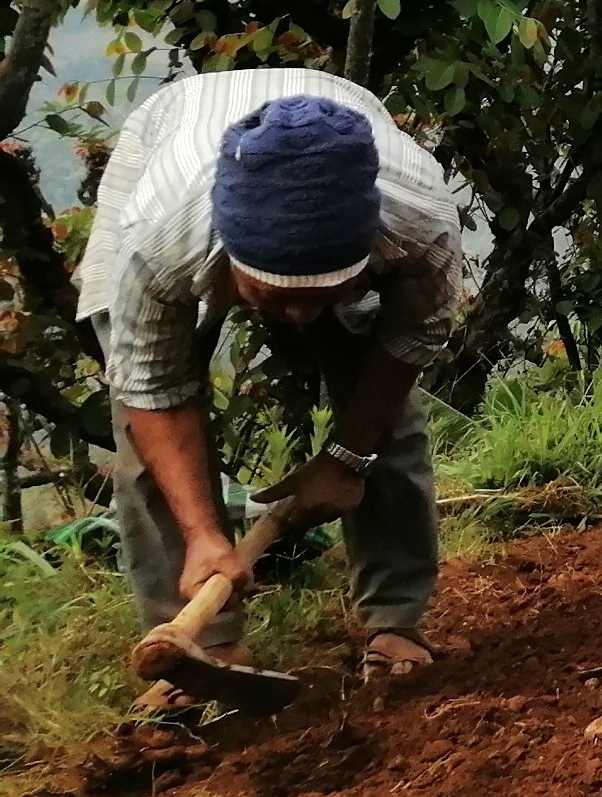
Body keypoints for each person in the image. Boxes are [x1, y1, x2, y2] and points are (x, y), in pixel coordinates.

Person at [78, 68, 473, 707]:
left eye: (320, 296)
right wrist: (207, 533)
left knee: (386, 412)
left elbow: (408, 344)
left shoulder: (419, 224)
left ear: (366, 256)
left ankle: (395, 623)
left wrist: (346, 458)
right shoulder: (159, 239)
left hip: (352, 155)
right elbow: (151, 388)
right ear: (231, 262)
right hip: (168, 142)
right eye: (272, 297)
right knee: (142, 440)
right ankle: (195, 642)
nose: (296, 319)